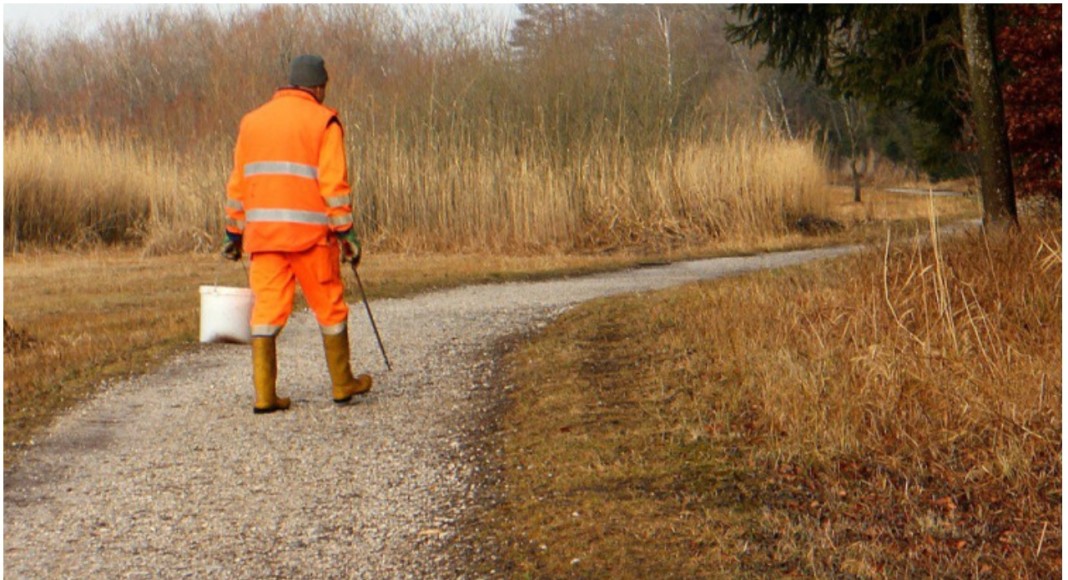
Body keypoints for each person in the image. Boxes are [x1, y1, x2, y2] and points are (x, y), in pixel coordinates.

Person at [221, 54, 372, 414]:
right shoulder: (324, 122)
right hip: (311, 239)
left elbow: (239, 184)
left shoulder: (252, 122)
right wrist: (346, 232)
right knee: (330, 308)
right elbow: (333, 184)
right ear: (318, 87)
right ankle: (341, 385)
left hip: (264, 238)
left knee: (266, 312)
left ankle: (264, 395)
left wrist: (233, 232)